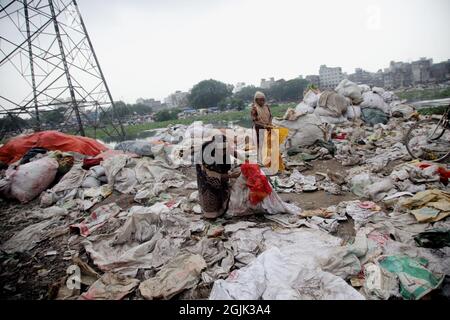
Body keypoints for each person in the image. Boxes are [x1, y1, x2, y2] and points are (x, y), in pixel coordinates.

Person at [196, 135, 239, 219]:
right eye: (221, 150)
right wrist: (231, 175)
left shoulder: (223, 147)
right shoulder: (207, 154)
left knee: (222, 189)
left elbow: (232, 152)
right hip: (207, 176)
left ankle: (222, 208)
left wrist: (246, 160)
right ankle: (211, 213)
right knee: (210, 192)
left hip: (218, 171)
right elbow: (212, 175)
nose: (224, 151)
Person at [250, 91, 272, 161]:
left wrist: (270, 123)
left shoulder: (266, 106)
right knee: (261, 144)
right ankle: (261, 159)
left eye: (264, 100)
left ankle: (269, 157)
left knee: (269, 142)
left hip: (268, 127)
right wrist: (264, 126)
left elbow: (270, 116)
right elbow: (255, 121)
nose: (263, 101)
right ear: (256, 100)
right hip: (259, 129)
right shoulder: (254, 109)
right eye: (261, 100)